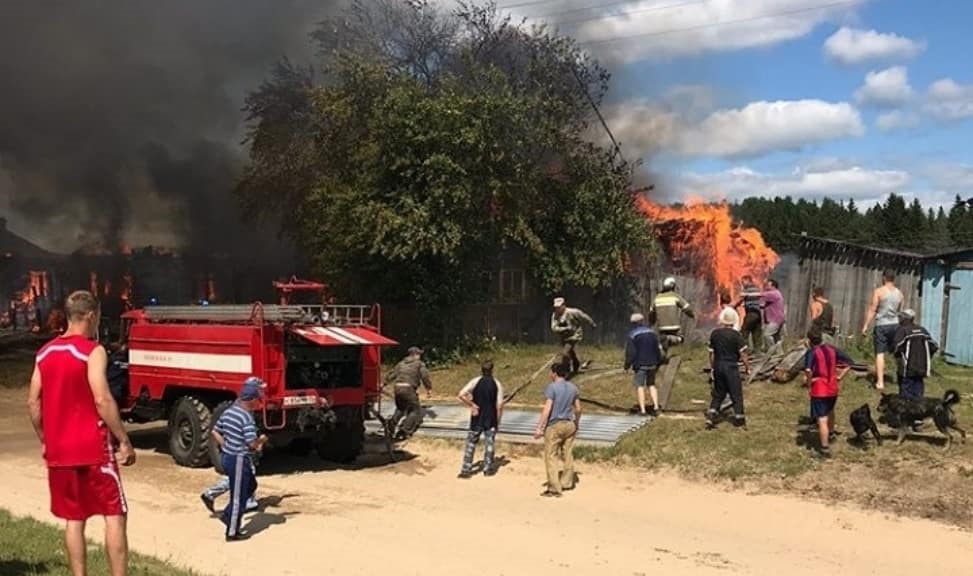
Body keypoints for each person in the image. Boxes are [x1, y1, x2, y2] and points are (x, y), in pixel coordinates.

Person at [27, 290, 136, 576]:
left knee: (73, 518)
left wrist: (45, 440)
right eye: (98, 316)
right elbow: (102, 398)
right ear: (90, 316)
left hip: (60, 451)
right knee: (114, 514)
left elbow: (32, 402)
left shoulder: (45, 353)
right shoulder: (92, 351)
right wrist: (123, 440)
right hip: (94, 449)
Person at [211, 376, 269, 542]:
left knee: (251, 485)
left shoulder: (229, 412)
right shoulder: (246, 418)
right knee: (237, 497)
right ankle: (232, 531)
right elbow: (253, 445)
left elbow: (215, 431)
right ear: (250, 400)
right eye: (257, 399)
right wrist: (263, 440)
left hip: (228, 457)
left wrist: (224, 445)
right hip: (238, 460)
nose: (258, 403)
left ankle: (228, 516)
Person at [804, 327, 855, 458]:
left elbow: (809, 370)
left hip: (820, 389)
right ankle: (831, 433)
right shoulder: (832, 349)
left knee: (821, 418)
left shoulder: (812, 352)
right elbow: (849, 362)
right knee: (830, 410)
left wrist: (809, 384)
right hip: (832, 387)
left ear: (810, 341)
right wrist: (839, 376)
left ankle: (824, 448)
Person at [533, 362, 581, 498]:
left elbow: (547, 409)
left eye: (550, 372)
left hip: (555, 425)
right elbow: (578, 408)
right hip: (569, 424)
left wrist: (539, 427)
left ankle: (554, 488)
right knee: (568, 453)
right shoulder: (573, 388)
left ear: (554, 373)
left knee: (551, 455)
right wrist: (577, 423)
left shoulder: (552, 388)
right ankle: (567, 482)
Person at [457, 360, 505, 478]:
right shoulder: (496, 384)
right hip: (490, 417)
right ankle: (488, 468)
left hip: (477, 416)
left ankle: (466, 469)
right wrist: (498, 422)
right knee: (489, 443)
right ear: (492, 370)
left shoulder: (475, 381)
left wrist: (472, 405)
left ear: (481, 370)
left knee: (471, 442)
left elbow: (461, 394)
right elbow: (499, 406)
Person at [706, 308, 750, 429]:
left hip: (718, 365)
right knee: (736, 393)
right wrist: (747, 367)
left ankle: (711, 414)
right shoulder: (736, 335)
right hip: (731, 366)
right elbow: (743, 354)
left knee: (719, 393)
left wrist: (712, 367)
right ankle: (739, 418)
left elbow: (711, 353)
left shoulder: (715, 333)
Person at [862, 269, 903, 390]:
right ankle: (901, 378)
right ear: (893, 278)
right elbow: (899, 311)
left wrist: (865, 325)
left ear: (884, 278)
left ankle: (880, 382)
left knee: (880, 353)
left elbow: (873, 308)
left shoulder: (879, 291)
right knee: (897, 353)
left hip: (882, 325)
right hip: (895, 325)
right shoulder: (900, 293)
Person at [385, 346, 432, 440]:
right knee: (415, 410)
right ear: (415, 354)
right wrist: (429, 388)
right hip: (408, 388)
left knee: (401, 408)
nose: (420, 356)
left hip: (397, 388)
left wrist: (384, 383)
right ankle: (404, 431)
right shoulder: (419, 364)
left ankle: (390, 425)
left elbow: (392, 374)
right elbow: (425, 376)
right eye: (419, 354)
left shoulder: (401, 363)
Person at [892, 309, 938, 401]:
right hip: (922, 367)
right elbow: (934, 346)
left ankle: (907, 410)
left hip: (907, 367)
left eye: (900, 317)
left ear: (905, 319)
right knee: (918, 390)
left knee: (906, 394)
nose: (899, 319)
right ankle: (917, 410)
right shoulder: (922, 330)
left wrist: (899, 358)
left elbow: (896, 347)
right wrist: (927, 358)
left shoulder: (903, 330)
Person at [624, 312, 664, 416]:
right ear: (642, 321)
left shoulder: (632, 335)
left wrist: (627, 365)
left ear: (633, 323)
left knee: (640, 386)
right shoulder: (652, 333)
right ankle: (655, 407)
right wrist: (659, 360)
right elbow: (658, 348)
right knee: (651, 385)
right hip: (652, 363)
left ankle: (642, 410)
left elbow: (631, 352)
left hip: (640, 364)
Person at [550, 297, 596, 376]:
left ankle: (565, 371)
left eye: (559, 307)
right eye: (556, 307)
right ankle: (576, 364)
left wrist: (592, 323)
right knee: (571, 352)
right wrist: (565, 329)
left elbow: (583, 316)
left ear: (563, 305)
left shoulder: (573, 312)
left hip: (575, 335)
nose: (557, 309)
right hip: (564, 337)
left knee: (566, 353)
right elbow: (553, 327)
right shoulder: (555, 315)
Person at [650, 277, 695, 353]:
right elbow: (687, 308)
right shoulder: (675, 296)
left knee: (664, 343)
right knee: (680, 339)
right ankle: (670, 339)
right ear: (673, 286)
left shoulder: (656, 298)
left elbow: (651, 313)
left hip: (661, 327)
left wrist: (652, 322)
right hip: (674, 326)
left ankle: (663, 354)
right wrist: (692, 315)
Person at [735, 275, 763, 350]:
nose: (742, 283)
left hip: (751, 313)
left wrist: (732, 306)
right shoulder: (757, 288)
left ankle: (744, 351)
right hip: (758, 314)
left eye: (743, 281)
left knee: (744, 332)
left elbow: (740, 300)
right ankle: (757, 352)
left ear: (748, 280)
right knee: (756, 333)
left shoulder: (747, 289)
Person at [762, 279, 786, 349]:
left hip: (775, 319)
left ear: (773, 286)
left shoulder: (773, 293)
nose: (766, 286)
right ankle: (779, 353)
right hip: (778, 319)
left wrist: (746, 294)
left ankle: (772, 350)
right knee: (776, 338)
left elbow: (760, 294)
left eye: (768, 285)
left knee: (767, 335)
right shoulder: (775, 294)